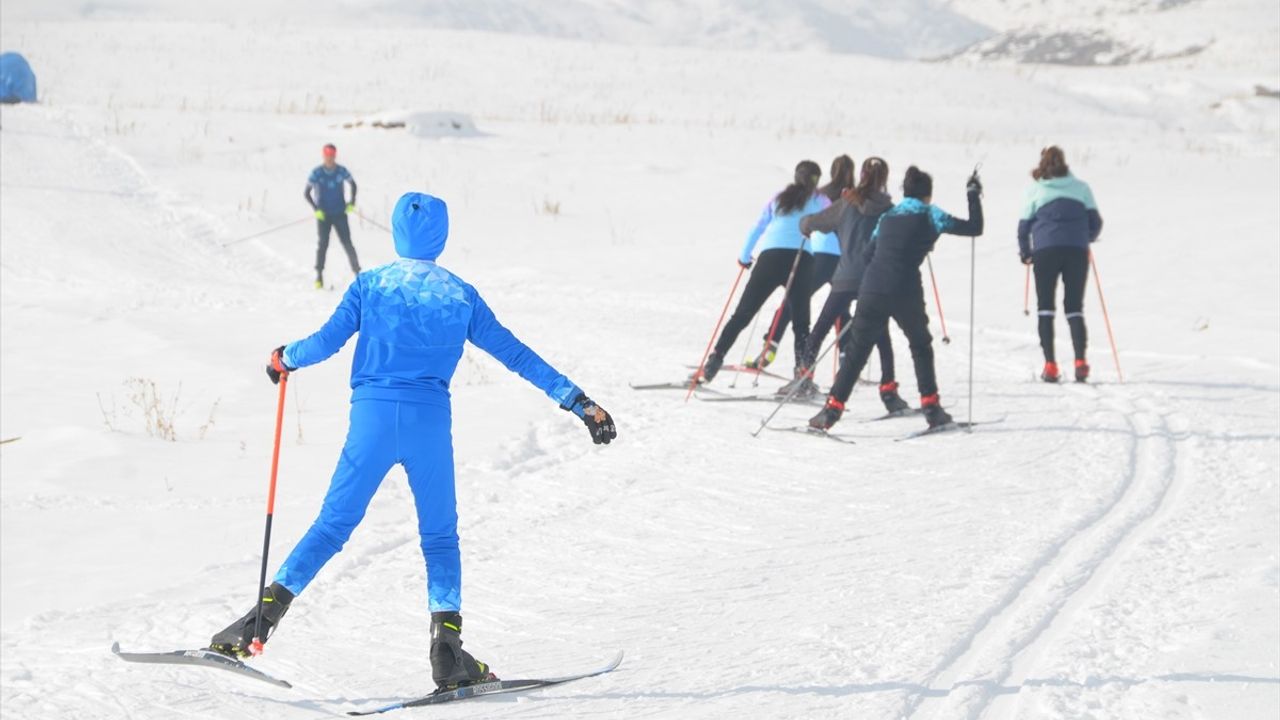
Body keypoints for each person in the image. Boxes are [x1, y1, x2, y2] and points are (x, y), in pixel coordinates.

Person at [209, 192, 617, 693]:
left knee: (332, 526)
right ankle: (447, 654)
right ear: (441, 236)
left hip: (373, 422)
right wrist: (578, 401)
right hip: (428, 425)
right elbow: (517, 354)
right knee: (440, 538)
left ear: (397, 232)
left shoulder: (371, 285)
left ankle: (253, 628)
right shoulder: (460, 295)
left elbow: (323, 343)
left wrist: (283, 359)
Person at [809, 165, 983, 430]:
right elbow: (974, 227)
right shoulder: (930, 214)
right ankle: (932, 408)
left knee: (857, 350)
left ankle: (831, 410)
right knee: (920, 345)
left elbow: (868, 254)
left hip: (872, 286)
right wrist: (972, 194)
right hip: (905, 288)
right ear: (927, 195)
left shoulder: (889, 216)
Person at [779, 157, 905, 411]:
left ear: (861, 174)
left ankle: (803, 377)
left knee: (822, 328)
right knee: (881, 335)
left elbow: (814, 221)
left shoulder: (846, 204)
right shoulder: (889, 209)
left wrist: (806, 226)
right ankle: (889, 393)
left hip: (845, 277)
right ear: (885, 179)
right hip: (874, 281)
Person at [695, 160, 830, 384]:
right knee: (801, 322)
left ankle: (713, 362)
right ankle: (802, 374)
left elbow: (758, 226)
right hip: (801, 259)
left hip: (770, 259)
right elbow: (833, 222)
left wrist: (745, 256)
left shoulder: (779, 198)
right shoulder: (820, 200)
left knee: (742, 315)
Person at [746, 155, 853, 370]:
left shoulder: (821, 194)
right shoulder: (853, 196)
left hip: (821, 255)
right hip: (844, 259)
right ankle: (847, 360)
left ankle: (770, 347)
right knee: (841, 309)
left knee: (793, 301)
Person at [1018, 146, 1103, 383]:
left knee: (1046, 308)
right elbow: (1095, 221)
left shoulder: (1034, 190)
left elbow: (1024, 226)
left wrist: (1025, 253)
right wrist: (1087, 237)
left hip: (1045, 251)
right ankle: (1080, 362)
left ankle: (1051, 365)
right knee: (1074, 307)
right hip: (1076, 250)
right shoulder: (1081, 188)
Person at [305, 143, 361, 289]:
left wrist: (351, 202)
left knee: (347, 243)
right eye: (327, 155)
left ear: (335, 156)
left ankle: (358, 274)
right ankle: (319, 276)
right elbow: (307, 193)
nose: (329, 158)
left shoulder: (341, 171)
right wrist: (316, 209)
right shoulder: (317, 173)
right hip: (324, 215)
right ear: (324, 156)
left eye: (332, 155)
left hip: (340, 213)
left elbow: (353, 184)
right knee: (323, 244)